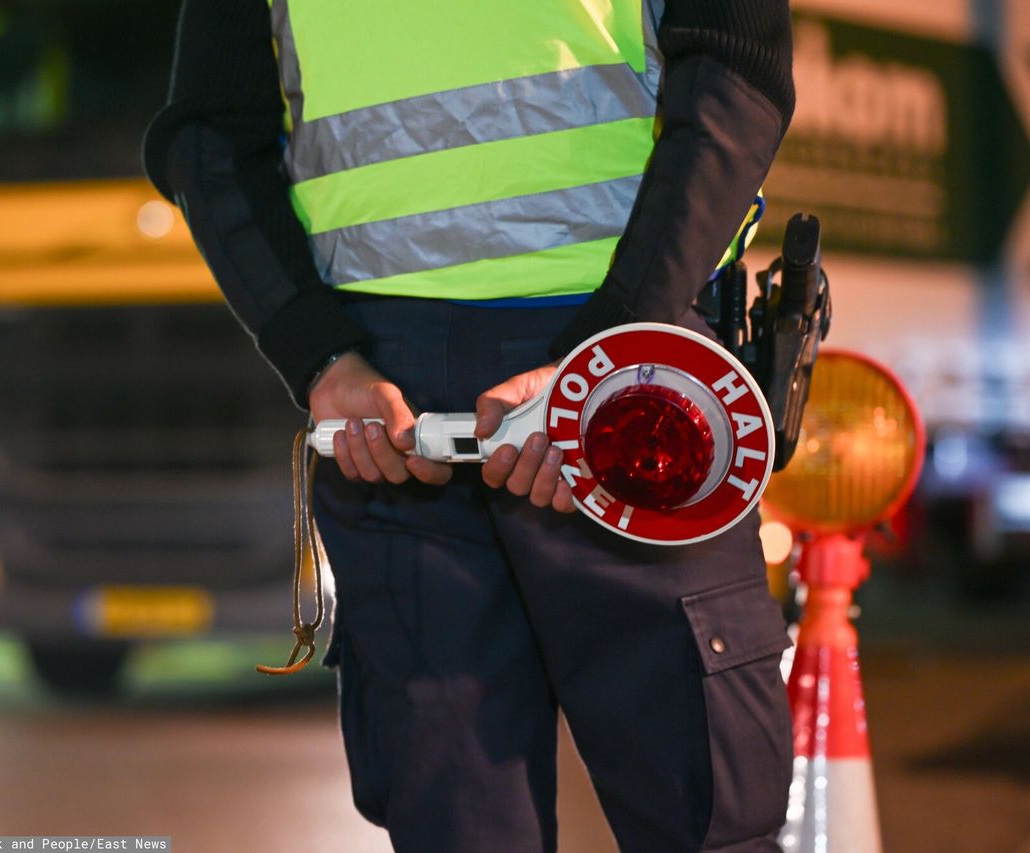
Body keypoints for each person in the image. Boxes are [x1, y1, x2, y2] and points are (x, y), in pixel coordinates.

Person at [144, 1, 796, 850]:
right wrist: (608, 347)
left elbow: (207, 135)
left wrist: (321, 356)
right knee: (705, 808)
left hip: (409, 393)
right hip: (616, 368)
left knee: (459, 821)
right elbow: (735, 72)